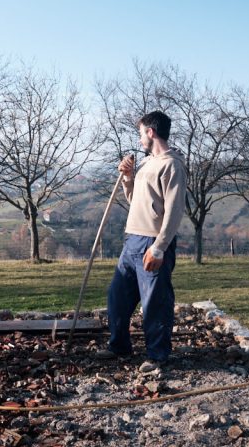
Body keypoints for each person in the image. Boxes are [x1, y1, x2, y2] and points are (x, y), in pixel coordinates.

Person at [100, 111, 187, 365]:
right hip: (132, 241)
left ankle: (158, 356)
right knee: (117, 296)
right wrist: (128, 177)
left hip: (153, 241)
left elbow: (174, 211)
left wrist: (159, 248)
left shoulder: (173, 165)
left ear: (151, 132)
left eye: (141, 134)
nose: (140, 140)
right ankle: (119, 347)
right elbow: (135, 201)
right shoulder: (147, 164)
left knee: (155, 304)